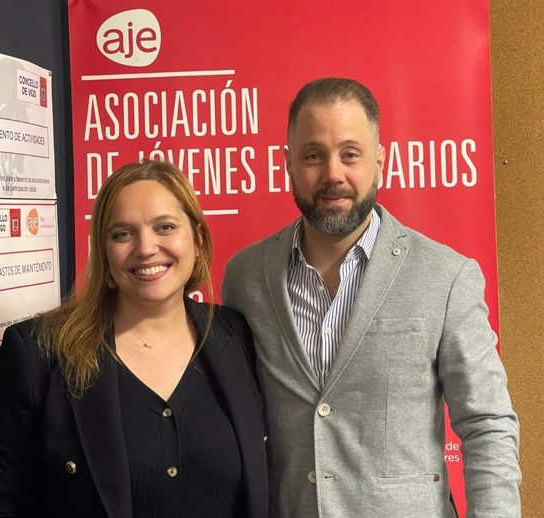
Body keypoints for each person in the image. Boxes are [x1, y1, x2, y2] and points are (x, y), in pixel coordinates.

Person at [221, 78, 521, 518]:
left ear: (379, 160)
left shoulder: (446, 276)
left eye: (350, 154)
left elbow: (487, 423)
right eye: (312, 156)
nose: (333, 175)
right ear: (287, 163)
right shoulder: (245, 277)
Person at [0, 160, 268, 518]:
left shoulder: (236, 336)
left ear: (198, 238)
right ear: (103, 250)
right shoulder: (40, 353)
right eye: (122, 234)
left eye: (165, 226)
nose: (146, 248)